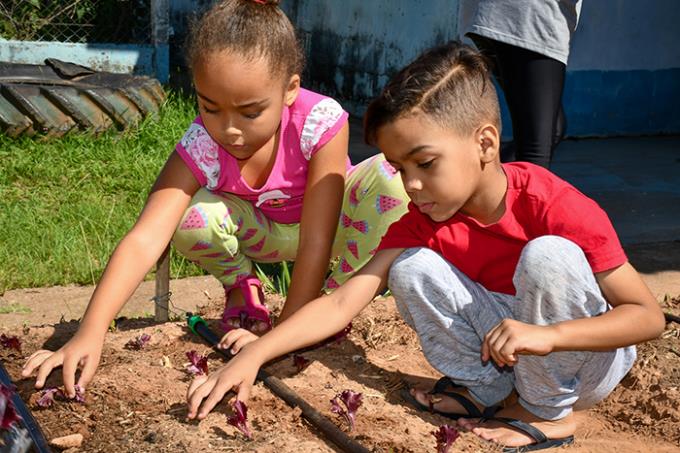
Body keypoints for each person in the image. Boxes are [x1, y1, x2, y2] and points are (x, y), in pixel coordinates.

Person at [186, 42, 665, 451]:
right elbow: (341, 301)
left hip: (582, 363)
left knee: (548, 257)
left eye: (425, 163)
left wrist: (550, 337)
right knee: (410, 267)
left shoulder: (552, 204)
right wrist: (257, 353)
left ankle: (547, 412)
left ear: (485, 143)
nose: (411, 185)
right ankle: (484, 390)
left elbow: (647, 317)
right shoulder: (421, 221)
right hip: (508, 349)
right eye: (399, 168)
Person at [21, 0, 407, 399]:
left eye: (250, 112)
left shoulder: (320, 122)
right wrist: (90, 331)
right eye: (210, 107)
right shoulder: (202, 143)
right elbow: (145, 239)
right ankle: (243, 289)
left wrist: (277, 340)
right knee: (187, 215)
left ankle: (330, 307)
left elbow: (316, 241)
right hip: (266, 233)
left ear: (290, 89)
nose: (229, 130)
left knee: (390, 181)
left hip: (334, 229)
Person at [460, 0, 583, 168]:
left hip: (493, 15)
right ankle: (466, 183)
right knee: (534, 152)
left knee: (552, 129)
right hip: (530, 18)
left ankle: (475, 181)